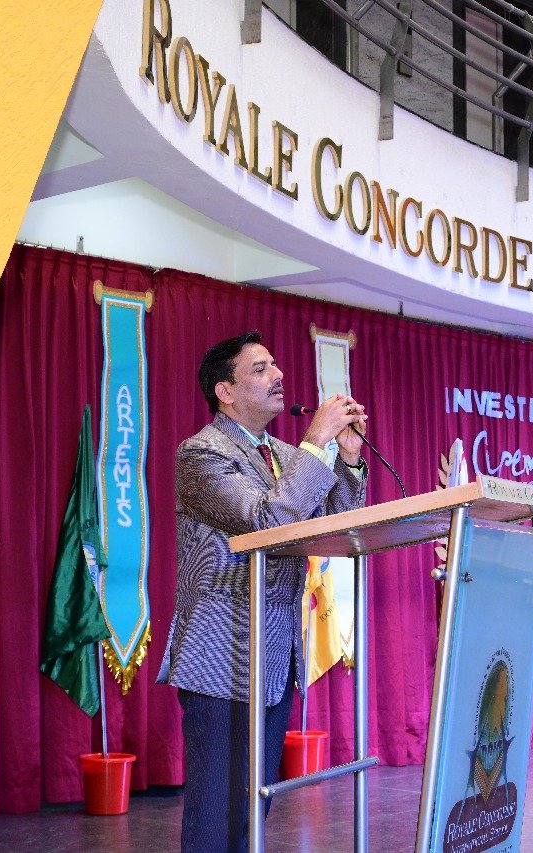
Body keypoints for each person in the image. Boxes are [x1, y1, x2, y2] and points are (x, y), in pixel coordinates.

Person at [157, 331, 368, 852]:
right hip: (222, 653)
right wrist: (316, 441)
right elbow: (269, 520)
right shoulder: (201, 454)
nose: (278, 375)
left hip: (273, 654)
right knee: (217, 811)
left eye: (275, 364)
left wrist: (347, 459)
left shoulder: (284, 454)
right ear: (225, 391)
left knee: (253, 807)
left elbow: (335, 521)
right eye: (260, 368)